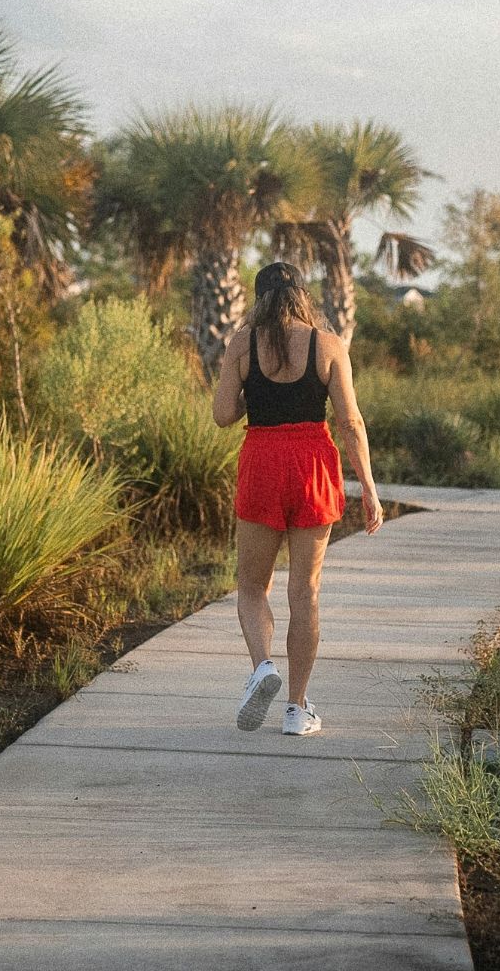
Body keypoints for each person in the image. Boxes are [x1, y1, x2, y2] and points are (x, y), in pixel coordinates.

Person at [212, 262, 382, 736]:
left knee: (251, 586)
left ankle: (262, 667)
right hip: (313, 462)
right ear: (302, 296)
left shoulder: (243, 345)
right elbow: (351, 422)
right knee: (304, 591)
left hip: (263, 460)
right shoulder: (328, 345)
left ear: (259, 298)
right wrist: (368, 486)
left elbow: (223, 414)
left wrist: (250, 390)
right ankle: (296, 709)